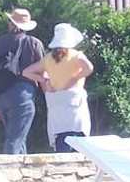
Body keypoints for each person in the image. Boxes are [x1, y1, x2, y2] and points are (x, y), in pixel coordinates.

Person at [0, 8, 45, 155]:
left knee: (18, 138)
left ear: (10, 23)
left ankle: (21, 169)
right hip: (22, 95)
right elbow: (43, 72)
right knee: (15, 140)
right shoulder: (33, 43)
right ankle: (9, 167)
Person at [22, 23, 93, 153]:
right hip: (73, 97)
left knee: (60, 133)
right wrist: (74, 79)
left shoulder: (48, 58)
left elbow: (26, 72)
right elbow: (89, 68)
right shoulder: (76, 55)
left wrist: (44, 80)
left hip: (55, 98)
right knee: (78, 132)